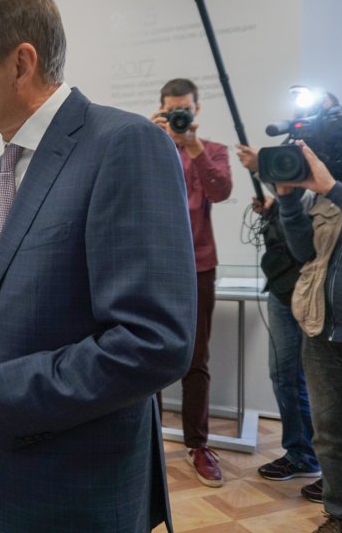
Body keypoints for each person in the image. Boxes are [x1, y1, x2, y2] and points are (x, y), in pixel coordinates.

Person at [0, 0, 197, 533]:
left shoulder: (125, 144)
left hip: (81, 487)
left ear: (22, 63)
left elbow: (153, 343)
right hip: (9, 475)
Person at [275, 85, 342, 533]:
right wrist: (287, 200)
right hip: (323, 331)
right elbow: (306, 252)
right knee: (330, 437)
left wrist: (332, 189)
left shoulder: (338, 186)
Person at [236, 141, 342, 503]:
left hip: (333, 297)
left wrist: (262, 168)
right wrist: (279, 205)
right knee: (287, 379)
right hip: (289, 287)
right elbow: (304, 233)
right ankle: (302, 456)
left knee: (337, 395)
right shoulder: (309, 178)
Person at [150, 78, 233, 487]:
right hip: (153, 266)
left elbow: (221, 191)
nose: (179, 116)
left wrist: (194, 147)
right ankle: (145, 438)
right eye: (171, 111)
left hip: (199, 265)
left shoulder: (212, 150)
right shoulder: (150, 145)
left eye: (184, 109)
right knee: (143, 352)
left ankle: (198, 445)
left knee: (196, 359)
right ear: (162, 111)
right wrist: (152, 139)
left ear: (196, 109)